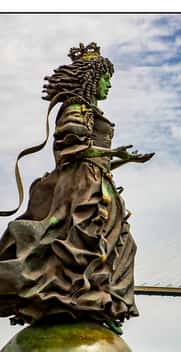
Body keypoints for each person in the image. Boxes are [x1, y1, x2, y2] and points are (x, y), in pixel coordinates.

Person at [0, 42, 154, 333]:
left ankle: (100, 301)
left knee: (119, 245)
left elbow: (96, 161)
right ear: (92, 79)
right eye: (106, 79)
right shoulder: (75, 107)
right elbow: (71, 149)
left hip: (98, 182)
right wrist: (114, 154)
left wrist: (125, 160)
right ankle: (72, 299)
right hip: (80, 188)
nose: (108, 85)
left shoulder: (90, 110)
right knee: (81, 241)